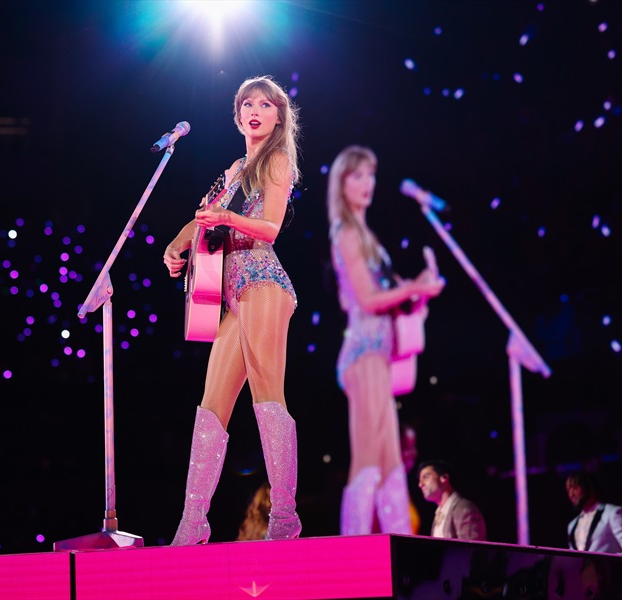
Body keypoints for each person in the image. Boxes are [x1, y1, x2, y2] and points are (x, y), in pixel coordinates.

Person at [163, 75, 302, 545]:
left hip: (263, 282)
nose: (255, 111)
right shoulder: (235, 169)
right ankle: (192, 522)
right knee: (210, 408)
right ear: (238, 116)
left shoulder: (276, 160)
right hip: (233, 296)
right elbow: (201, 219)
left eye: (265, 105)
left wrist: (226, 217)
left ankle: (284, 518)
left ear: (278, 117)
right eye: (248, 104)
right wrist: (176, 244)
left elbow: (270, 227)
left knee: (267, 394)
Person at [327, 145, 444, 535]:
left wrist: (420, 289)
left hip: (379, 354)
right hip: (362, 353)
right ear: (341, 184)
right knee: (367, 459)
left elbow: (393, 296)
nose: (367, 183)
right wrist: (412, 288)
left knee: (391, 459)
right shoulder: (346, 234)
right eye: (357, 175)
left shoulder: (369, 239)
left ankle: (399, 546)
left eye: (371, 174)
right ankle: (354, 553)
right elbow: (367, 299)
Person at [565, 470, 622, 555]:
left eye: (574, 488)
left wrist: (608, 562)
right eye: (568, 490)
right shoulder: (572, 525)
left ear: (589, 487)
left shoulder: (613, 513)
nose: (571, 494)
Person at [417, 459, 487, 541]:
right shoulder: (440, 513)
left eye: (426, 477)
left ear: (444, 478)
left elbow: (469, 548)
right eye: (420, 480)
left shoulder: (464, 509)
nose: (420, 484)